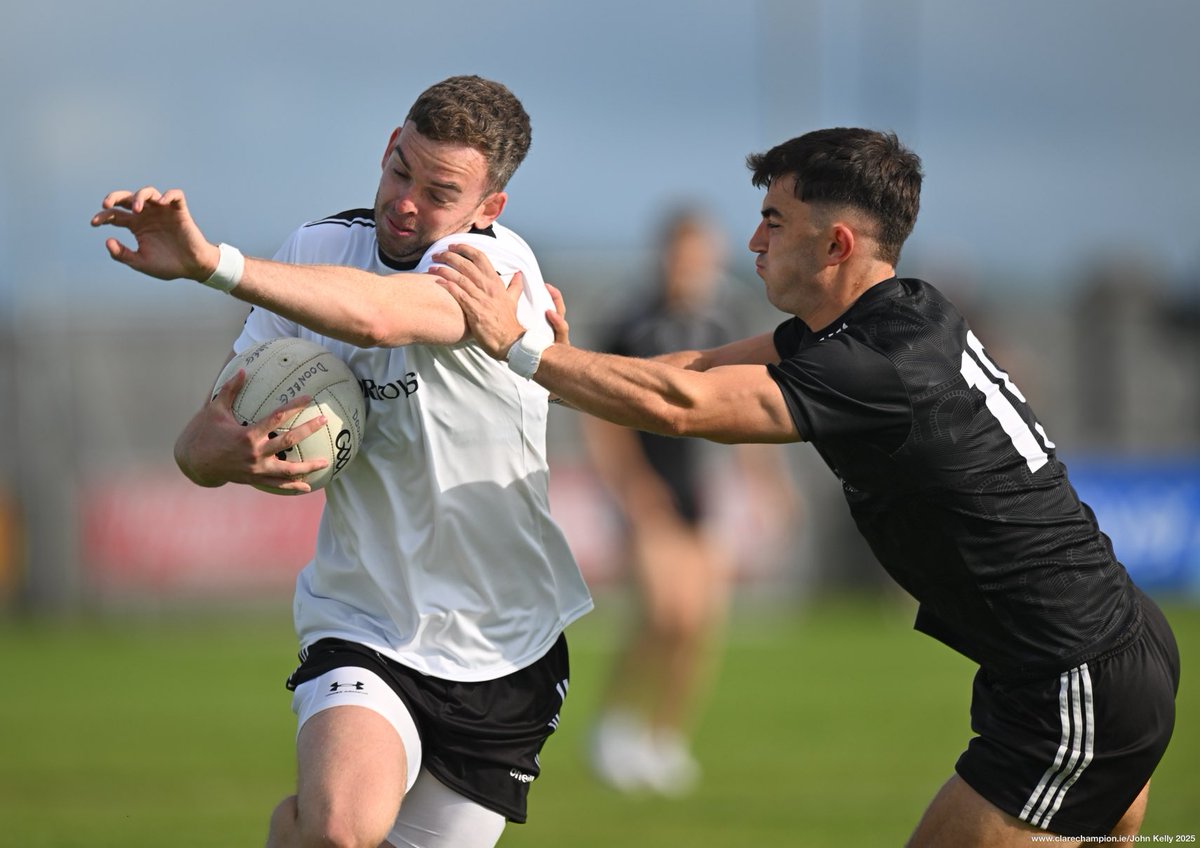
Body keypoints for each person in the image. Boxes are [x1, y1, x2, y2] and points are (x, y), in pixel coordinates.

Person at [429, 127, 1181, 846]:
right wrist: (565, 367)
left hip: (1070, 679)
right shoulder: (899, 313)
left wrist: (516, 347)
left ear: (836, 243)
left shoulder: (873, 366)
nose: (753, 242)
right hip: (1100, 653)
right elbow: (688, 372)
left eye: (772, 221)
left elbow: (686, 408)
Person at [91, 75, 593, 848]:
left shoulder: (498, 271)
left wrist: (209, 263)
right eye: (402, 171)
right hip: (364, 621)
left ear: (487, 209)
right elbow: (198, 441)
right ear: (390, 145)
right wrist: (218, 454)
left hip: (504, 644)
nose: (406, 202)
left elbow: (376, 315)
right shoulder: (319, 252)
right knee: (339, 833)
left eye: (440, 191)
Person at [582, 207, 797, 796]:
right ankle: (615, 724)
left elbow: (749, 404)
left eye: (700, 257)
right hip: (649, 490)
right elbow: (603, 409)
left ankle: (666, 737)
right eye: (682, 256)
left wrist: (767, 483)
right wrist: (629, 486)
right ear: (665, 257)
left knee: (700, 625)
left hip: (702, 492)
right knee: (663, 614)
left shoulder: (724, 319)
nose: (690, 268)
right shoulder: (632, 319)